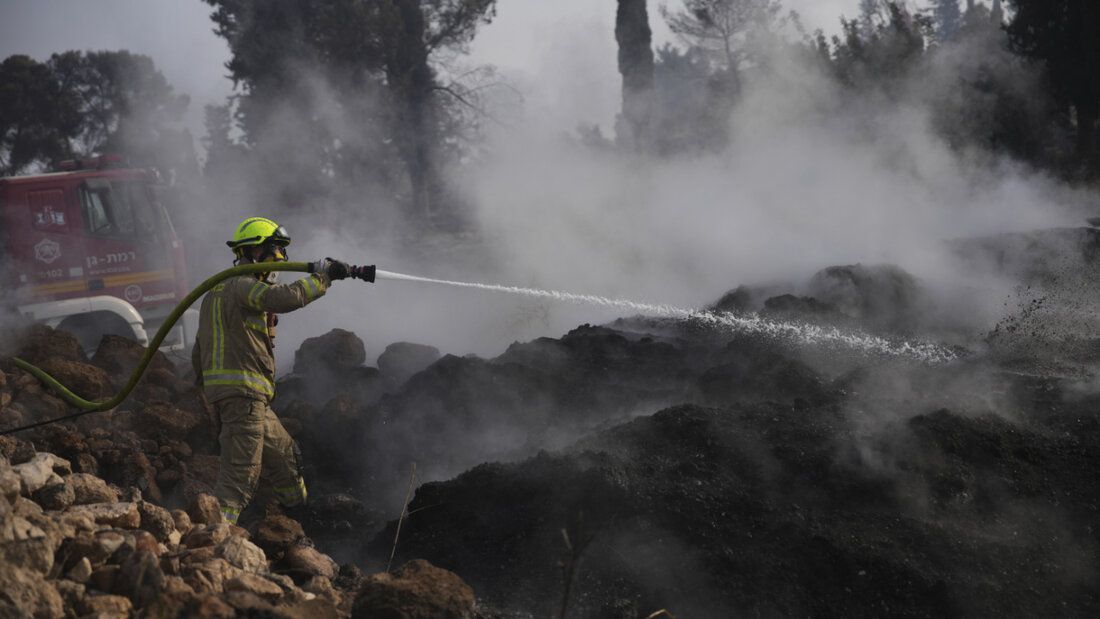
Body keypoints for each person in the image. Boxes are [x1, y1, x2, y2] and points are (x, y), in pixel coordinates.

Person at [191, 217, 349, 524]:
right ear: (253, 251)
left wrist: (207, 390)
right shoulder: (243, 285)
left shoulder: (215, 293)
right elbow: (280, 298)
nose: (281, 258)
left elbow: (200, 348)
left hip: (249, 399)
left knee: (285, 456)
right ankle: (211, 541)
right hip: (243, 397)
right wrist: (322, 278)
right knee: (240, 478)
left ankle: (301, 520)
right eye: (275, 249)